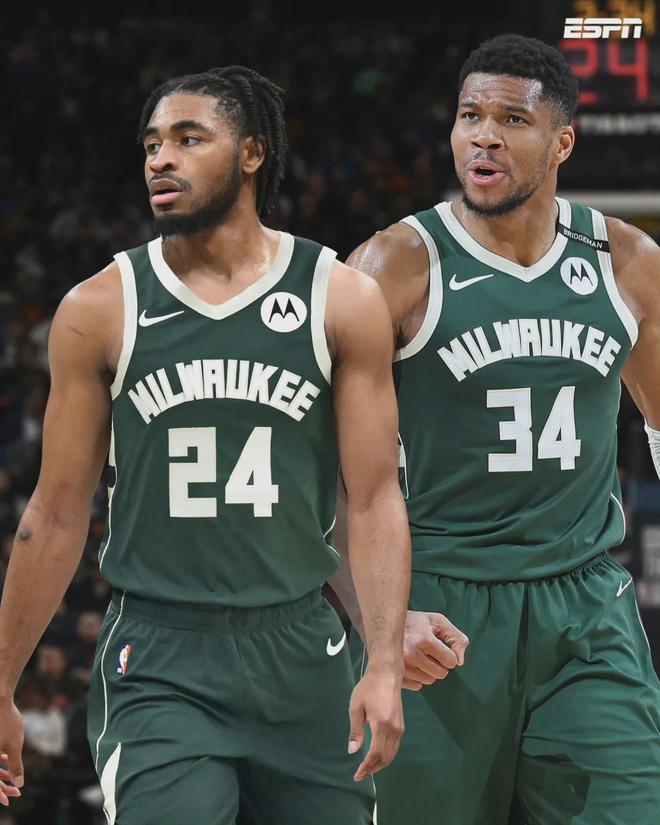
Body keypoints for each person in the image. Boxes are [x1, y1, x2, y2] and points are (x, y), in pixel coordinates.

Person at [0, 65, 412, 824]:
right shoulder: (99, 308)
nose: (161, 158)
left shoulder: (339, 296)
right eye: (152, 143)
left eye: (189, 139)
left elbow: (374, 495)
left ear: (252, 153)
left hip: (303, 646)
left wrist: (384, 661)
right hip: (161, 654)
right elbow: (54, 516)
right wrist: (0, 684)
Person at [333, 34, 660, 825]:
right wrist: (377, 621)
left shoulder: (625, 262)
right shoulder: (392, 265)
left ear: (562, 142)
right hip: (436, 613)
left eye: (512, 119)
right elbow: (312, 466)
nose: (483, 136)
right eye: (469, 115)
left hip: (585, 606)